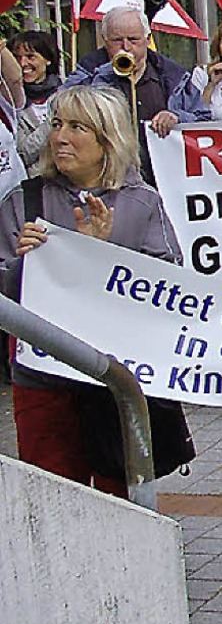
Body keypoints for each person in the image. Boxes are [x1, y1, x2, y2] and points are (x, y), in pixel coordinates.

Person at [0, 85, 182, 496]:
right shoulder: (23, 201)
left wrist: (98, 256)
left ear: (107, 139)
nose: (61, 137)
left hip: (115, 376)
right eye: (58, 125)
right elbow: (5, 295)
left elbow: (168, 286)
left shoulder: (141, 202)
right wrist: (30, 266)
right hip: (44, 379)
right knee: (53, 495)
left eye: (78, 127)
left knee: (121, 495)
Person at [66, 6, 209, 182]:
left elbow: (205, 120)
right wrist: (106, 73)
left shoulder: (173, 75)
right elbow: (63, 108)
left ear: (148, 39)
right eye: (117, 40)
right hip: (109, 179)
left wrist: (177, 117)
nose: (126, 47)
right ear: (104, 40)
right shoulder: (90, 72)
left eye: (133, 40)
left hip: (166, 179)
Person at [8, 30, 61, 177]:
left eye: (31, 57)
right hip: (35, 184)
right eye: (17, 58)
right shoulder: (10, 104)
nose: (23, 63)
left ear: (48, 59)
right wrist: (54, 122)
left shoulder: (67, 96)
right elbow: (22, 154)